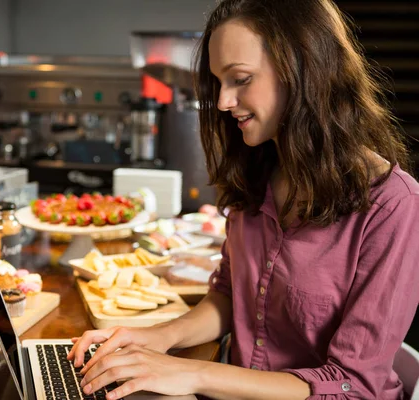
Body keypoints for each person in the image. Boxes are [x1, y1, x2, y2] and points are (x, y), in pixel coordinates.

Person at [68, 0, 419, 398]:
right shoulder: (257, 173)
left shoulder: (393, 205)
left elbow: (352, 384)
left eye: (240, 79)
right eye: (219, 82)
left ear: (305, 70)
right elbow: (229, 296)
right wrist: (157, 337)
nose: (222, 101)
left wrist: (194, 374)